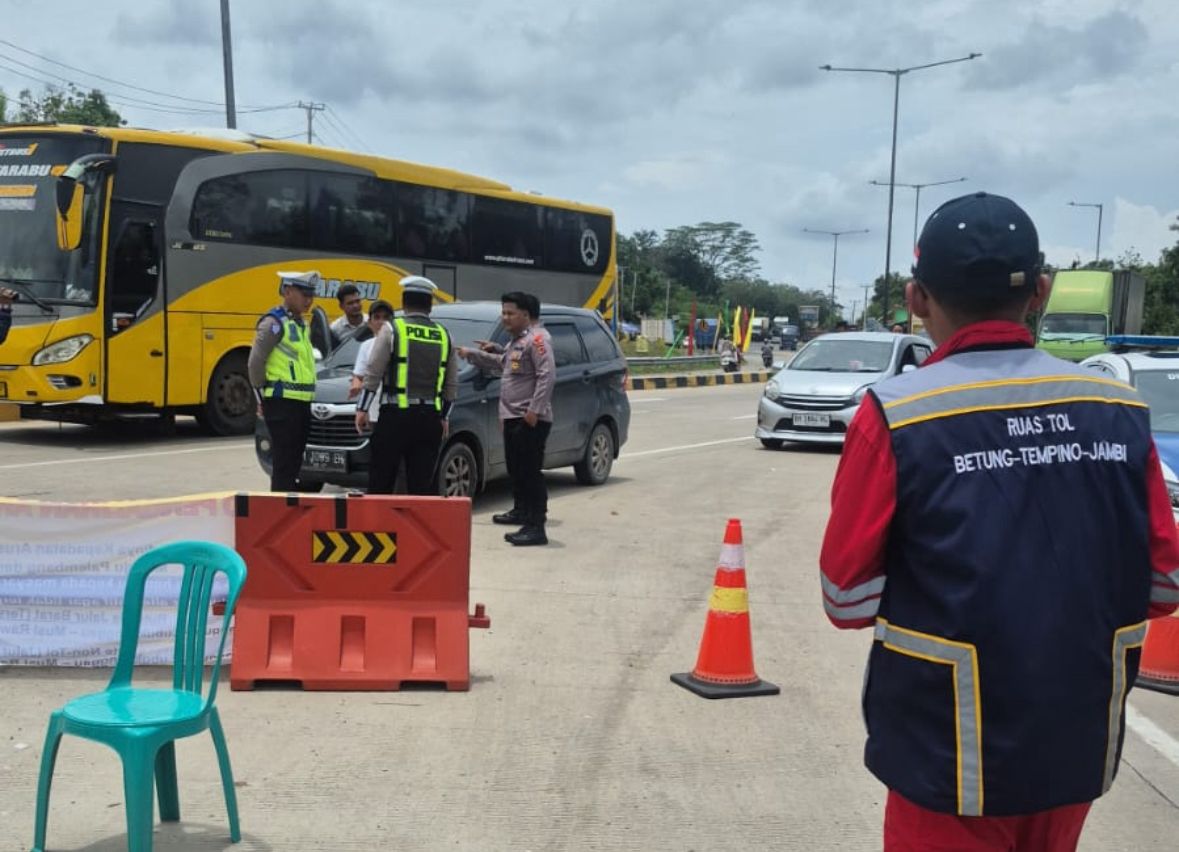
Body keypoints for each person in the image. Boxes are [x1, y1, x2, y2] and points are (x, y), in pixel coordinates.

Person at [819, 191, 1179, 851]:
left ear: (917, 297)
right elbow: (1163, 585)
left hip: (947, 750)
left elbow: (845, 597)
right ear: (1039, 291)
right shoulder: (1118, 409)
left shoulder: (894, 415)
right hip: (1074, 741)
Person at [457, 291, 555, 546]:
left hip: (528, 418)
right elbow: (505, 363)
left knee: (530, 472)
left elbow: (547, 376)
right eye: (503, 313)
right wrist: (472, 354)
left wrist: (534, 412)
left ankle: (536, 527)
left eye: (510, 313)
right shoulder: (518, 341)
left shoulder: (538, 340)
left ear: (526, 314)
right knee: (516, 469)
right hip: (513, 417)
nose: (505, 318)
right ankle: (521, 511)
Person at [356, 277, 459, 495]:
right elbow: (451, 384)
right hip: (430, 418)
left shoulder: (392, 329)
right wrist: (444, 416)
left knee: (381, 480)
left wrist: (362, 409)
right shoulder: (444, 334)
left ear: (403, 302)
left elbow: (373, 373)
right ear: (430, 306)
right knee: (420, 486)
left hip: (395, 417)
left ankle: (379, 526)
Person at [248, 271, 320, 492]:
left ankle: (289, 503)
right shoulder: (274, 322)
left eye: (311, 295)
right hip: (281, 403)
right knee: (284, 464)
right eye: (304, 294)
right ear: (288, 292)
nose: (309, 300)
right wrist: (261, 398)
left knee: (294, 462)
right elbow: (255, 363)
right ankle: (281, 508)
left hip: (301, 403)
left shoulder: (299, 324)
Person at [348, 299, 394, 400]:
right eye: (377, 317)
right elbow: (359, 375)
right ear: (369, 322)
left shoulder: (399, 343)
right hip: (371, 403)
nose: (381, 322)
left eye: (386, 317)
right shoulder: (366, 346)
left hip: (393, 404)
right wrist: (355, 385)